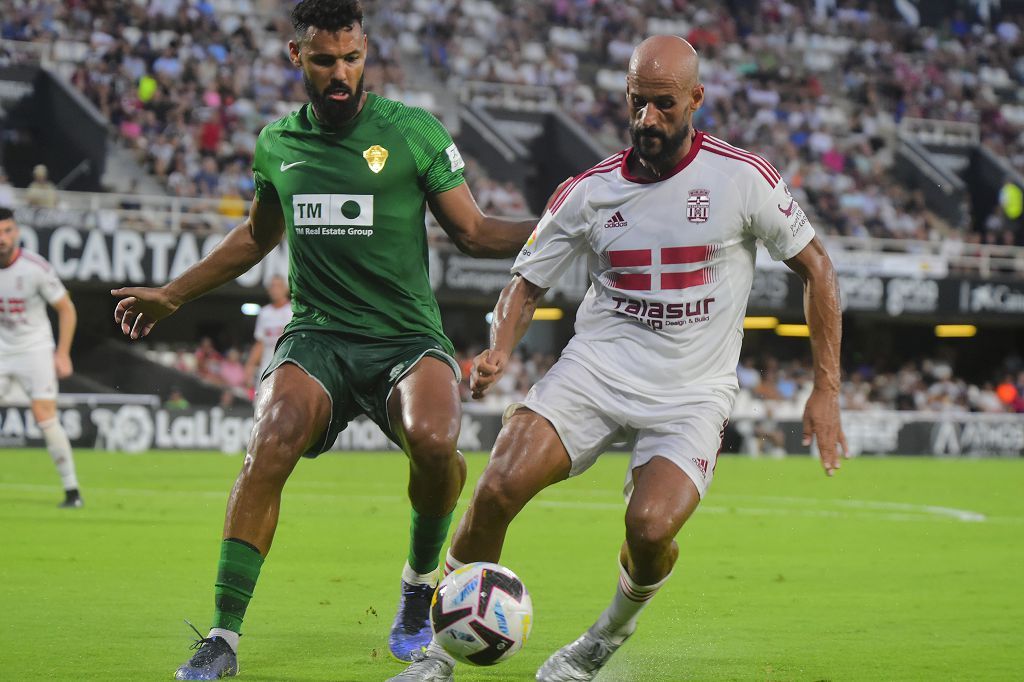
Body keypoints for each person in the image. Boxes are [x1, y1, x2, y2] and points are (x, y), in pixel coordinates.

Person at [395, 36, 847, 682]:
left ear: (696, 99)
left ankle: (603, 639)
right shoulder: (588, 192)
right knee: (496, 487)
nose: (647, 121)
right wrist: (500, 348)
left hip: (691, 391)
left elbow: (818, 268)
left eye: (663, 106)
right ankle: (438, 657)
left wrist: (825, 387)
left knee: (650, 528)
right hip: (597, 369)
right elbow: (526, 282)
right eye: (637, 104)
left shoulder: (741, 178)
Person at [109, 1, 538, 678]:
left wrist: (562, 224)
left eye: (352, 58)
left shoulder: (411, 132)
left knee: (434, 443)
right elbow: (256, 235)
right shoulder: (278, 143)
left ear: (365, 53)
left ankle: (418, 584)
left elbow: (475, 232)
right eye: (324, 60)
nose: (340, 74)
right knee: (269, 438)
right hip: (318, 338)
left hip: (405, 338)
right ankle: (223, 637)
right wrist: (173, 294)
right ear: (295, 56)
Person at [0, 206, 82, 508]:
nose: (2, 238)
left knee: (44, 415)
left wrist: (62, 353)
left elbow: (66, 308)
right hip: (1, 347)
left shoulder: (35, 268)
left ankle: (72, 491)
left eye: (7, 231)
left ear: (17, 233)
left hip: (34, 347)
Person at [242, 274, 293, 389]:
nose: (275, 290)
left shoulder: (293, 311)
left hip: (288, 367)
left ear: (286, 288)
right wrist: (249, 366)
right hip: (267, 367)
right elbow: (260, 342)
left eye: (278, 286)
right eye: (272, 286)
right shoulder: (264, 312)